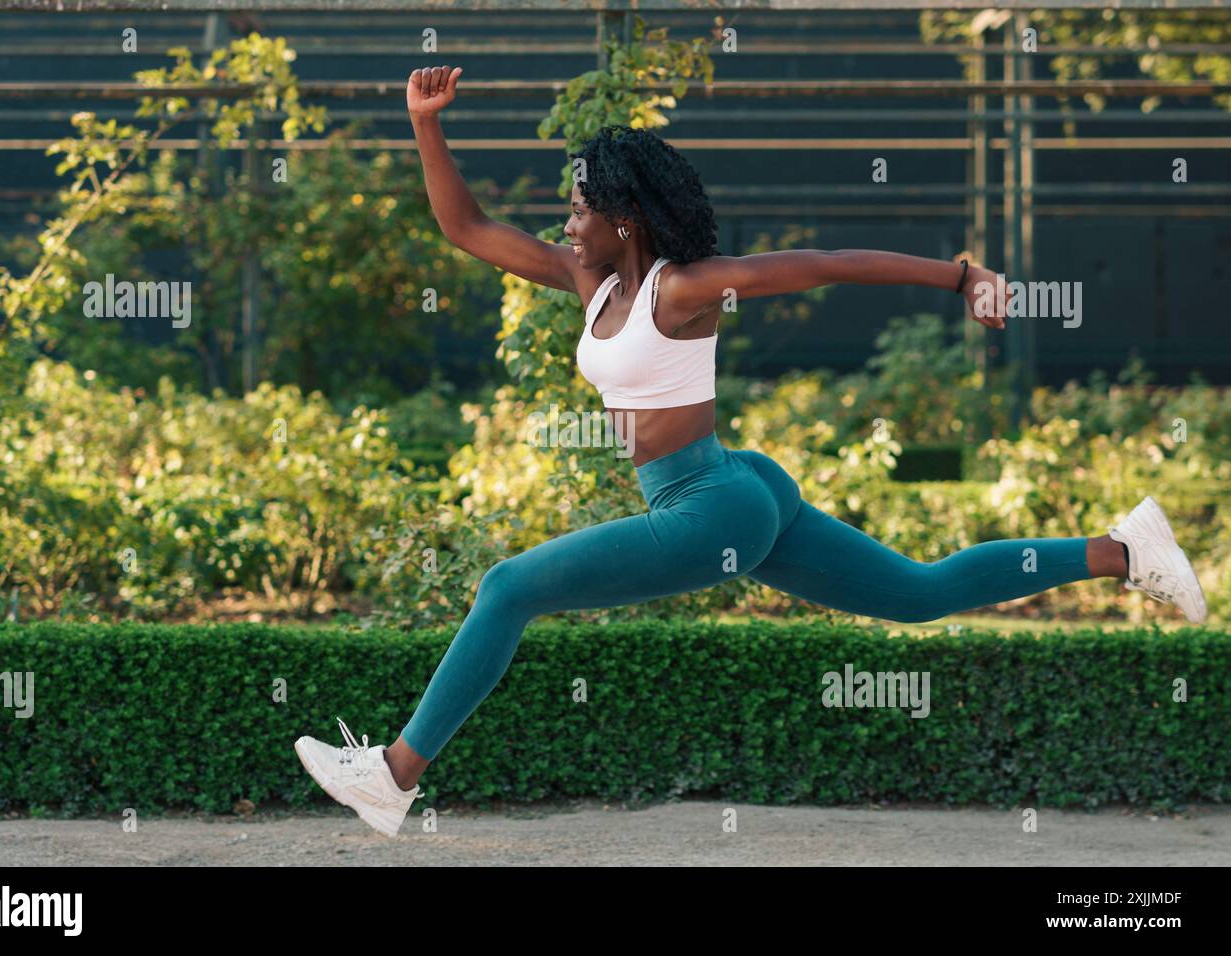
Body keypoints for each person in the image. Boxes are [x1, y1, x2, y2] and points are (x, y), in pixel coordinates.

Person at [295, 65, 1208, 838]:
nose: (566, 223)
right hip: (739, 488)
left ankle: (395, 777)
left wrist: (964, 276)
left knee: (507, 588)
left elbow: (824, 261)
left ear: (626, 218)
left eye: (580, 210)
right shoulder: (589, 280)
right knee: (919, 594)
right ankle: (1125, 552)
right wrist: (424, 126)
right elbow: (466, 229)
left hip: (710, 507)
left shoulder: (683, 289)